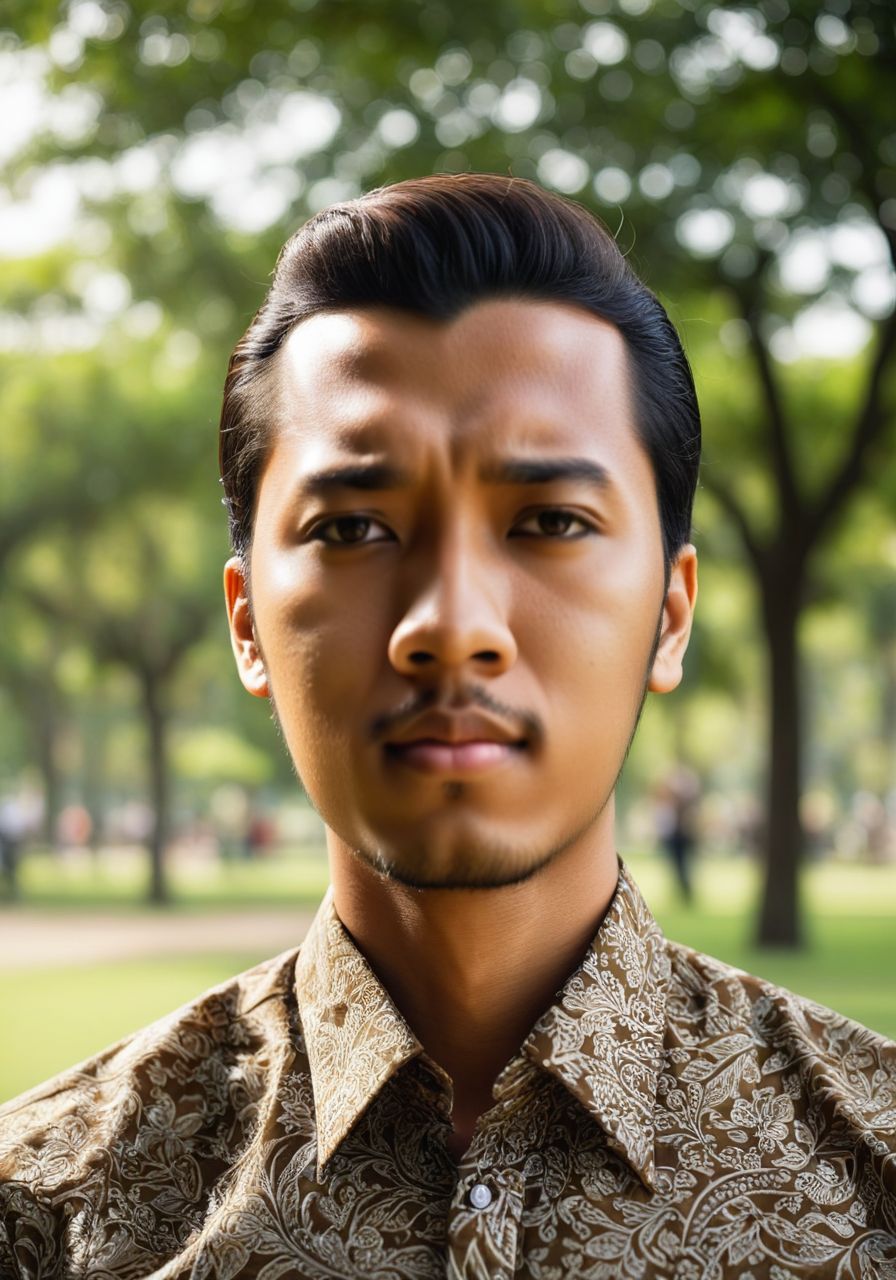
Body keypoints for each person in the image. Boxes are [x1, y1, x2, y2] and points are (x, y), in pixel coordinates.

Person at [1, 173, 894, 1279]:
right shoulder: (43, 1214)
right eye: (356, 525)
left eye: (550, 520)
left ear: (668, 615)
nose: (450, 625)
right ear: (246, 625)